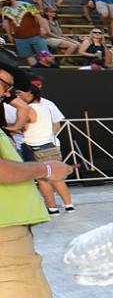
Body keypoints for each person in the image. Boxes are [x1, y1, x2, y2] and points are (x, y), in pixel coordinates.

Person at [0, 72, 103, 298]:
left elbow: (22, 116)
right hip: (4, 225)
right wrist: (46, 170)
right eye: (3, 86)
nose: (8, 92)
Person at [12, 79, 71, 213]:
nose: (19, 95)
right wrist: (47, 136)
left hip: (33, 145)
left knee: (42, 179)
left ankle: (52, 208)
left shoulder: (27, 108)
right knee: (56, 177)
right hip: (49, 145)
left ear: (30, 93)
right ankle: (69, 205)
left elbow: (23, 127)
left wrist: (13, 128)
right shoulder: (45, 107)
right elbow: (56, 124)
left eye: (21, 92)